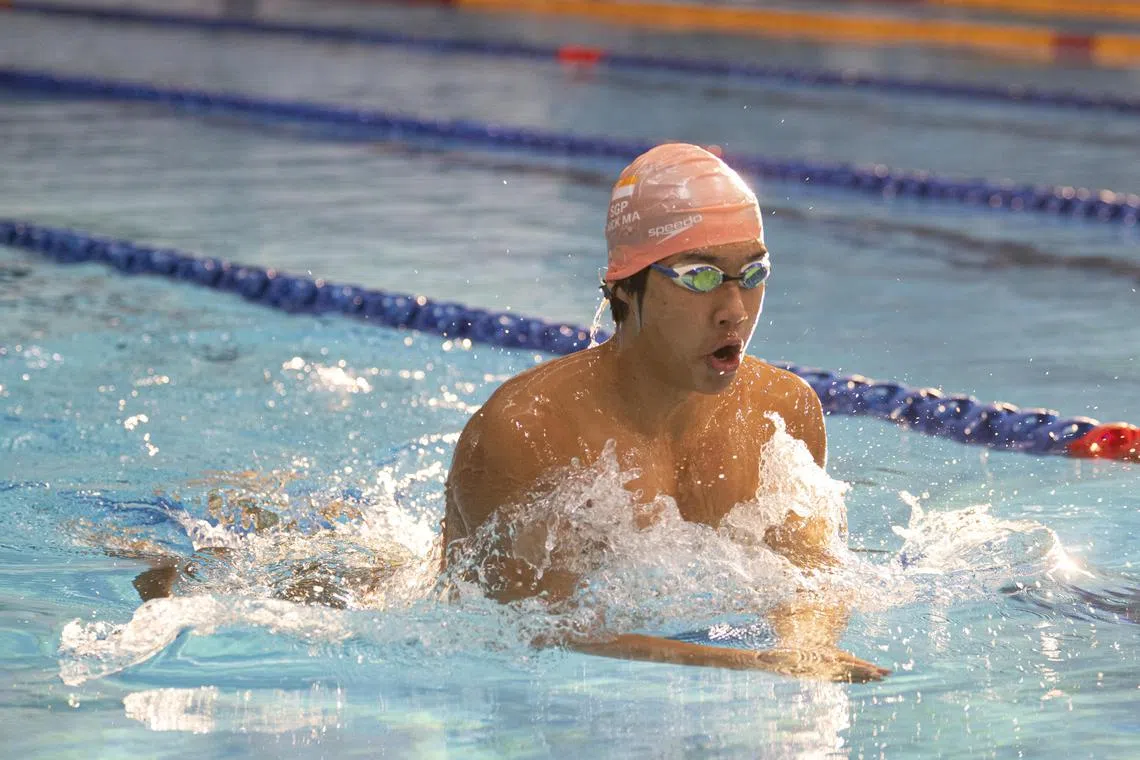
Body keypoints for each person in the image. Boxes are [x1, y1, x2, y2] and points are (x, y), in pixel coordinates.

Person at [441, 143, 889, 682]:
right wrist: (751, 666)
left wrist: (806, 647)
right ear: (626, 288)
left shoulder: (782, 413)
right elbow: (534, 633)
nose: (734, 309)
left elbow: (813, 578)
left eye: (752, 274)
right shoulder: (530, 431)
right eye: (699, 276)